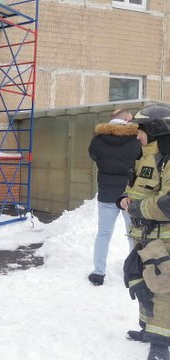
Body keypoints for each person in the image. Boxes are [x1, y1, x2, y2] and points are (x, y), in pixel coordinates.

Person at [117, 104, 170, 360]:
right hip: (143, 235)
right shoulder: (146, 156)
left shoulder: (168, 158)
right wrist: (124, 199)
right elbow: (139, 189)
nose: (138, 134)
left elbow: (167, 203)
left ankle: (160, 343)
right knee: (139, 279)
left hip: (163, 237)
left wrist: (136, 208)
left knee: (161, 288)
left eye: (142, 129)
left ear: (156, 129)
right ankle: (148, 328)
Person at [87, 109, 140, 286]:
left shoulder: (98, 140)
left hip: (106, 193)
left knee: (103, 234)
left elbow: (93, 156)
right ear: (126, 119)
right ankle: (133, 272)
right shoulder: (135, 140)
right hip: (129, 195)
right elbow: (140, 159)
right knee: (133, 234)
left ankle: (98, 273)